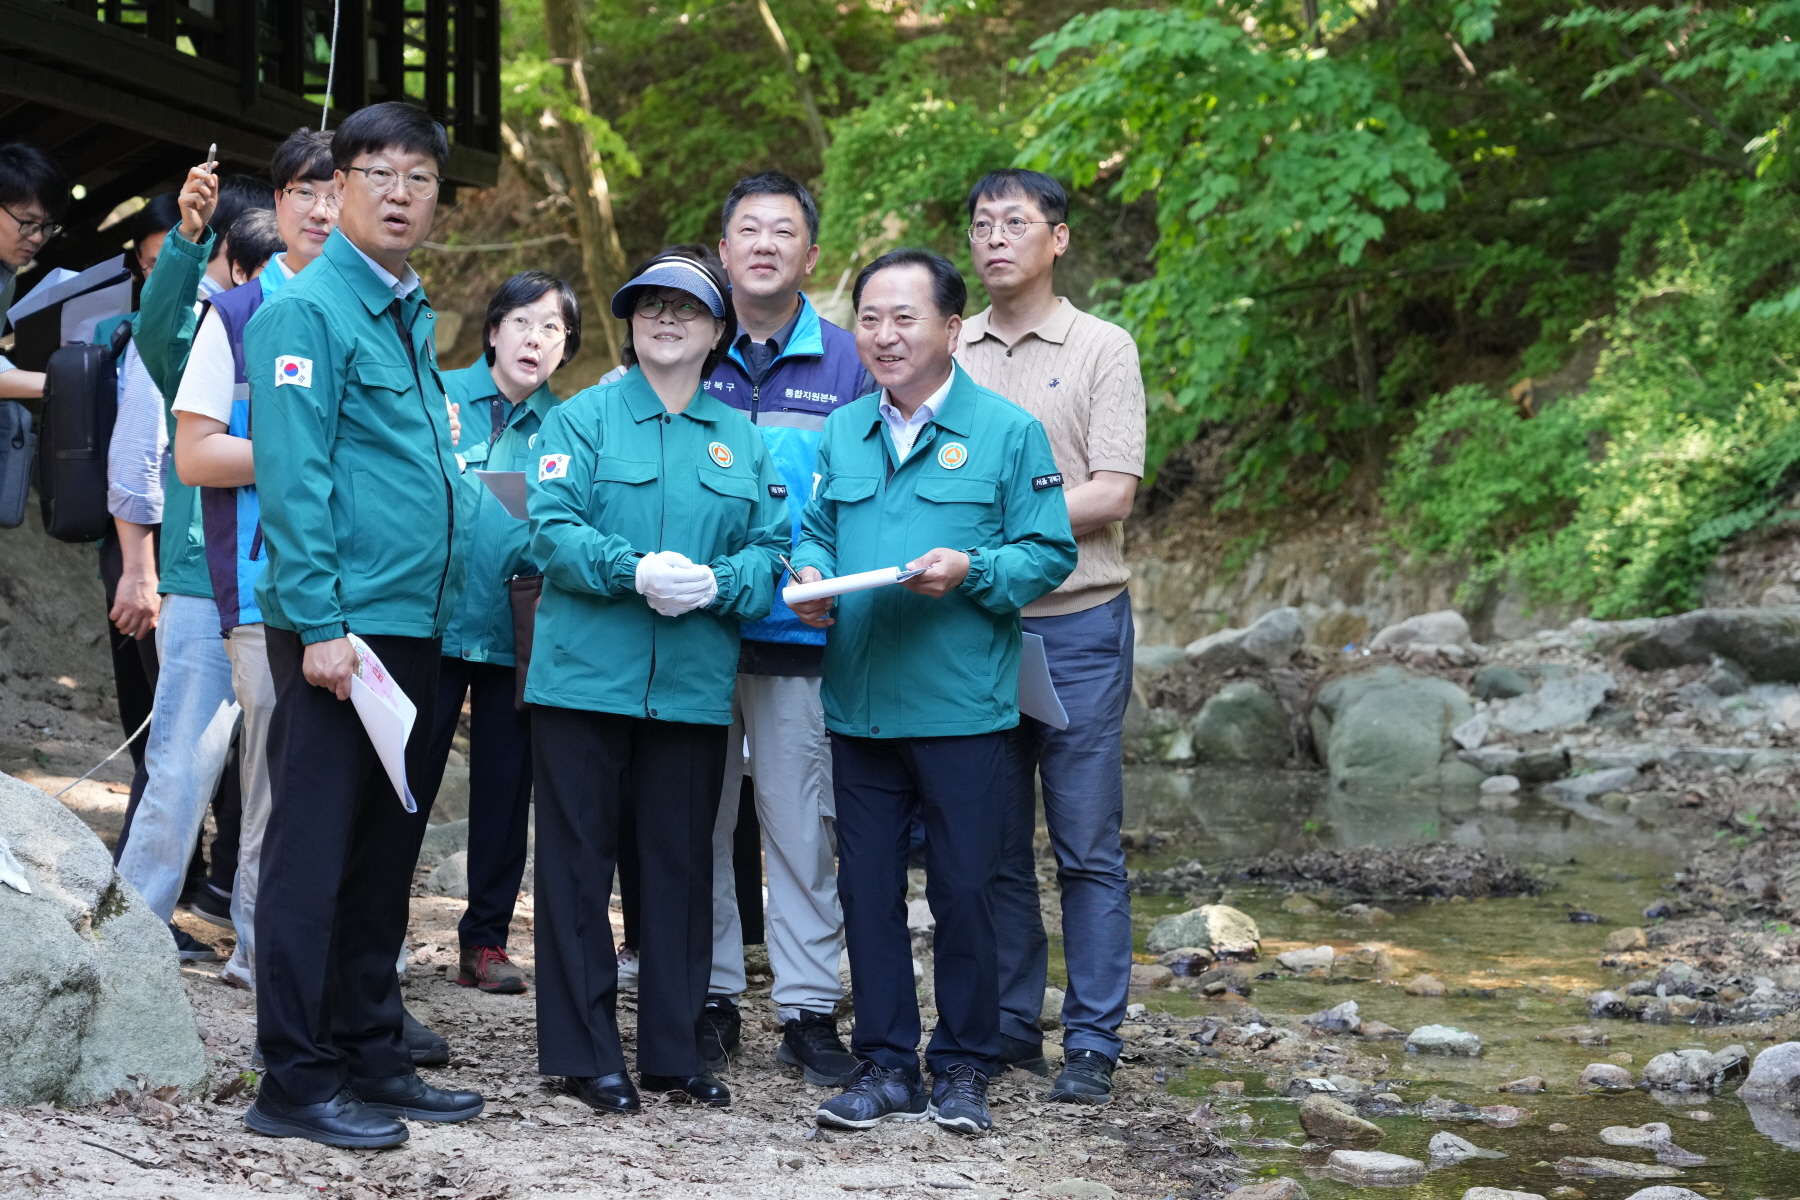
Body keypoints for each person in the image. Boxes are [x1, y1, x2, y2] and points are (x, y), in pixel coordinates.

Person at [789, 249, 1077, 1135]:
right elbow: (816, 529)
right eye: (870, 318)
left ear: (952, 329)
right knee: (867, 892)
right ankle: (884, 1066)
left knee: (964, 891)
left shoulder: (1008, 432)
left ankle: (962, 1066)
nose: (883, 335)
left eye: (904, 318)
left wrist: (974, 569)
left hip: (964, 708)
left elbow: (1048, 551)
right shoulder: (843, 432)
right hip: (861, 706)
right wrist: (809, 574)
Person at [240, 101, 480, 1149]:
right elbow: (296, 481)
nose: (398, 192)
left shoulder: (406, 308)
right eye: (376, 171)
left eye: (418, 177)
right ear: (333, 187)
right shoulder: (305, 310)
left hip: (415, 623)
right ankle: (293, 1080)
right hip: (340, 631)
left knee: (384, 857)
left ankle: (369, 1051)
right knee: (313, 853)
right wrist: (325, 621)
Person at [527, 246, 785, 1115]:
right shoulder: (580, 421)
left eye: (686, 308)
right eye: (648, 306)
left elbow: (773, 551)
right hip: (581, 684)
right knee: (575, 869)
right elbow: (549, 532)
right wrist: (628, 569)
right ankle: (584, 1052)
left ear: (718, 332)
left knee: (678, 866)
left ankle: (675, 1052)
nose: (665, 318)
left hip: (689, 685)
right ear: (629, 324)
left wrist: (723, 583)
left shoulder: (742, 439)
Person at [955, 169, 1146, 1105]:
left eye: (1015, 223)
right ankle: (1008, 1026)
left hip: (1078, 625)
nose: (996, 238)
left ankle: (1097, 1040)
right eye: (983, 224)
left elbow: (1113, 493)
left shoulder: (1103, 347)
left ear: (1057, 238)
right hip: (979, 629)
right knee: (991, 844)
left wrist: (1000, 528)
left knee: (1084, 842)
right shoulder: (954, 349)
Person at [696, 171, 869, 1085]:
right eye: (747, 231)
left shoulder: (848, 363)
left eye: (784, 232)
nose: (764, 245)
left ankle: (807, 1008)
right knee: (699, 821)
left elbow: (858, 494)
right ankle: (714, 996)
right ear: (722, 251)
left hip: (802, 637)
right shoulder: (686, 347)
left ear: (811, 254)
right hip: (696, 632)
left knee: (802, 827)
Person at [167, 129, 341, 994]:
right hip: (260, 588)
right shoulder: (232, 317)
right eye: (304, 192)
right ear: (276, 203)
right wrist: (301, 448)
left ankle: (326, 960)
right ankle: (262, 957)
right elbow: (194, 458)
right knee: (274, 779)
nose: (322, 208)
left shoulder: (373, 317)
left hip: (365, 594)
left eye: (335, 190)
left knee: (335, 781)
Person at [111, 157, 279, 955]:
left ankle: (260, 949)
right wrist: (183, 235)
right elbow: (156, 324)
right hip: (201, 584)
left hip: (288, 589)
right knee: (180, 766)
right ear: (236, 270)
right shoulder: (209, 332)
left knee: (272, 783)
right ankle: (133, 938)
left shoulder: (322, 339)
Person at [413, 270, 581, 995]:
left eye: (552, 329)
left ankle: (484, 941)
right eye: (522, 322)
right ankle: (376, 929)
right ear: (493, 330)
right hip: (431, 624)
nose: (534, 339)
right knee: (404, 782)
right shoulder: (437, 395)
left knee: (507, 791)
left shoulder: (570, 428)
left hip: (519, 636)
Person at [0, 141, 67, 399]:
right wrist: (66, 381)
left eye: (48, 226)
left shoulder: (7, 272)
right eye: (28, 223)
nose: (38, 237)